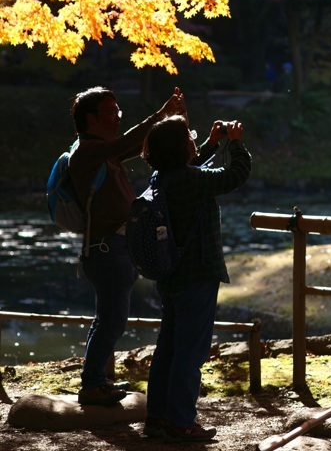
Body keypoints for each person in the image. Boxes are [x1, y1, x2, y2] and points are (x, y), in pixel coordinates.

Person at [69, 85, 185, 406]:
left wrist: (165, 124)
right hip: (107, 251)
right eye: (112, 113)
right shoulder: (88, 152)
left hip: (114, 248)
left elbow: (133, 145)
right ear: (91, 119)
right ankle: (92, 383)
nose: (118, 118)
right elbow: (128, 141)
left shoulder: (101, 153)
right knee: (112, 319)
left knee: (107, 318)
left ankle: (96, 379)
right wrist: (160, 116)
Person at [141, 114, 251, 443]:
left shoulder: (161, 177)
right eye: (189, 136)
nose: (193, 138)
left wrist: (211, 144)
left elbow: (188, 164)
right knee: (191, 352)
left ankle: (157, 418)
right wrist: (236, 143)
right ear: (180, 148)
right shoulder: (191, 181)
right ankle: (182, 422)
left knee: (168, 350)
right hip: (198, 275)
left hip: (170, 276)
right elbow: (236, 175)